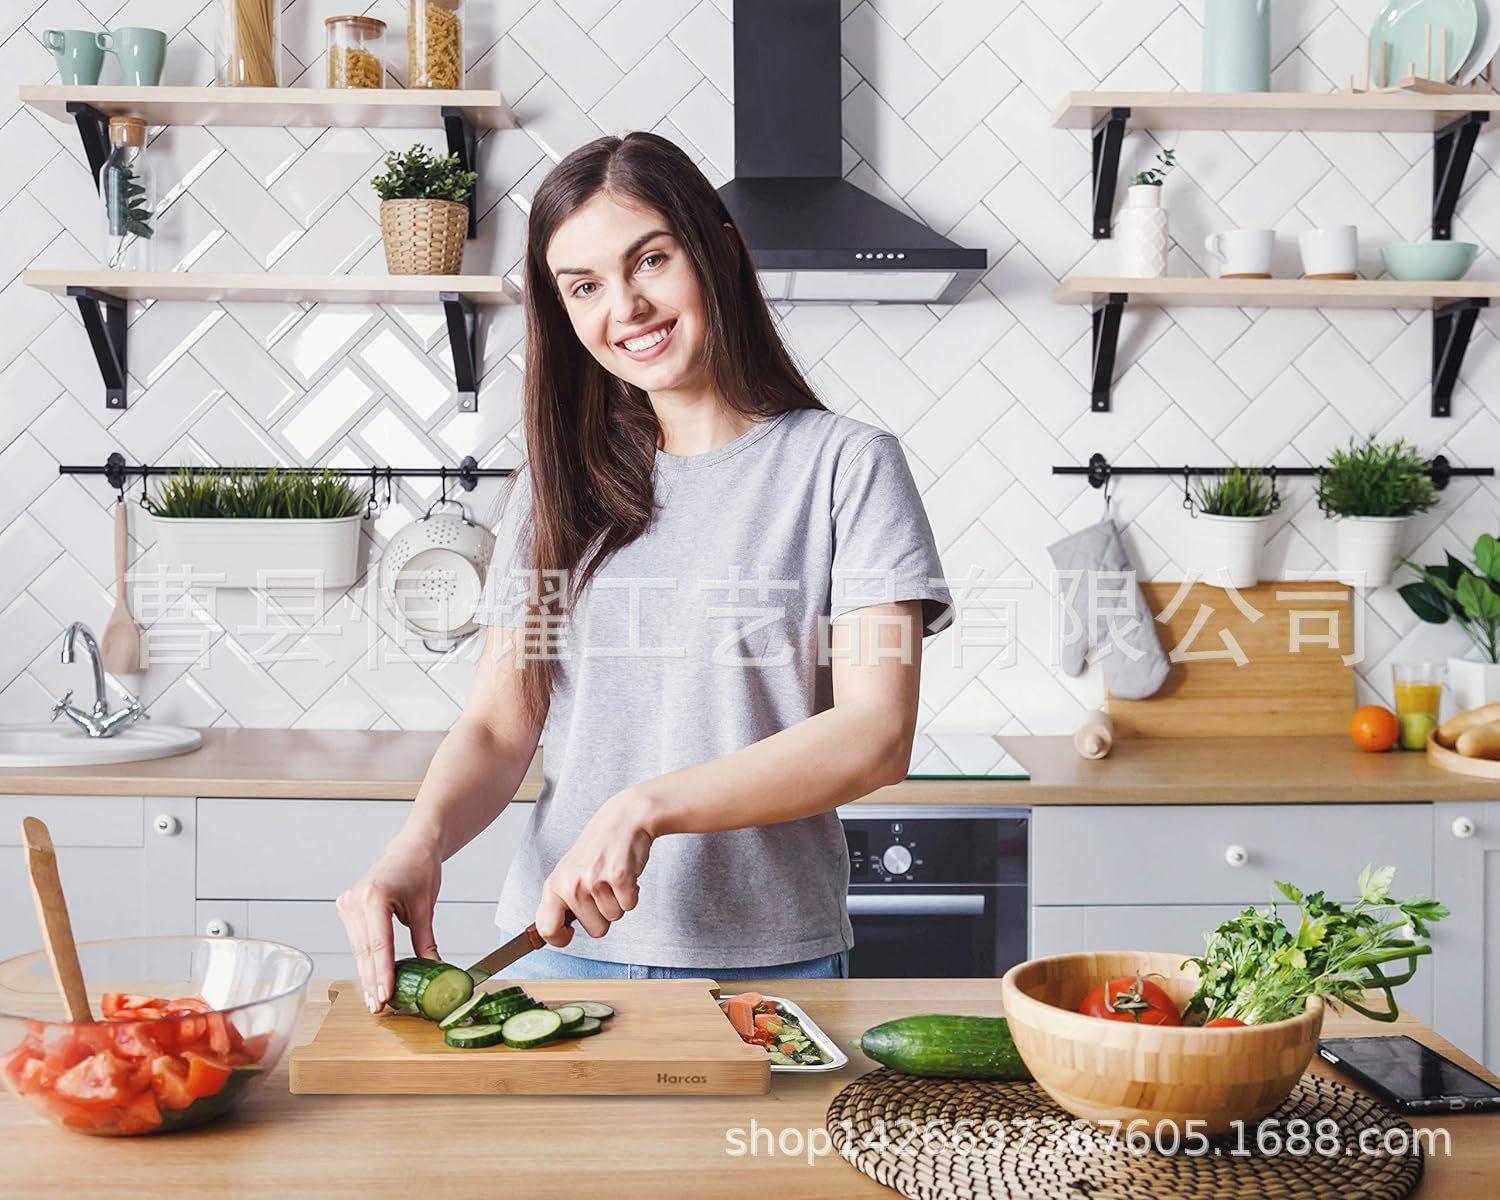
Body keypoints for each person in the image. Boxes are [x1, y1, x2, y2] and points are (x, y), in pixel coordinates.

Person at [338, 132, 952, 1011]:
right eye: (583, 286)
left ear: (718, 250)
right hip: (559, 951)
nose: (625, 307)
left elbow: (875, 735)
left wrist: (645, 806)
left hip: (770, 964)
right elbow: (501, 726)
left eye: (650, 260)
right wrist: (420, 842)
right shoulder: (554, 487)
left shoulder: (846, 466)